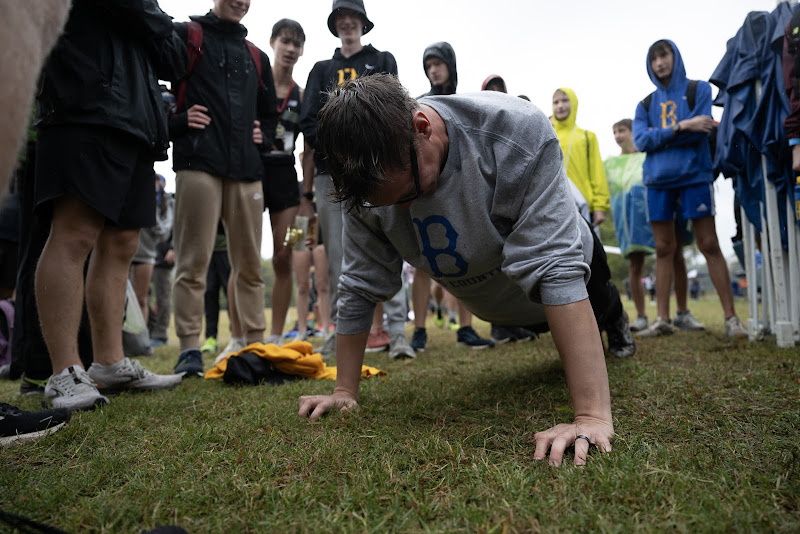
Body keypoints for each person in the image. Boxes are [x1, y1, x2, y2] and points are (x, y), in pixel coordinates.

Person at [298, 74, 636, 466]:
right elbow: (358, 285)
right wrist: (344, 391)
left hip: (576, 274)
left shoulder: (514, 130)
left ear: (422, 128)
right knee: (536, 321)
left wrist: (591, 416)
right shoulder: (367, 186)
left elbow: (557, 269)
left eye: (406, 194)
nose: (404, 211)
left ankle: (617, 321)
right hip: (498, 301)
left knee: (600, 306)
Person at [34, 0, 185, 411]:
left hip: (138, 121)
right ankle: (64, 371)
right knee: (74, 232)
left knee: (122, 243)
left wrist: (151, 20)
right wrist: (155, 21)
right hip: (83, 101)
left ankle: (110, 363)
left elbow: (176, 59)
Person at [169, 0, 279, 377]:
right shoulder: (187, 35)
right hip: (198, 161)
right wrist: (178, 121)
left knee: (249, 264)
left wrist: (264, 135)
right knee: (193, 260)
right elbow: (155, 89)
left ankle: (254, 343)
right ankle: (189, 349)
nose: (240, 1)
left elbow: (270, 111)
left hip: (247, 168)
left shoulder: (257, 55)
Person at [298, 0, 404, 359]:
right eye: (340, 18)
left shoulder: (383, 61)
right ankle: (340, 334)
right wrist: (339, 150)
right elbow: (308, 121)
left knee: (393, 242)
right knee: (340, 257)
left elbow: (395, 107)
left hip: (378, 169)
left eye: (352, 17)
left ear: (362, 22)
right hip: (332, 175)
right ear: (334, 24)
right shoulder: (321, 68)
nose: (347, 23)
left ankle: (398, 332)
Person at [632, 39, 747, 338]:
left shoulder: (700, 90)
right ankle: (662, 320)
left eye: (664, 54)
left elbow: (704, 129)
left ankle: (732, 319)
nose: (659, 62)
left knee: (708, 243)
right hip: (657, 181)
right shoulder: (645, 104)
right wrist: (682, 127)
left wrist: (663, 137)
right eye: (654, 57)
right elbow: (641, 142)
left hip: (695, 176)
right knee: (663, 248)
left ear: (675, 56)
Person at [410, 42, 495, 352]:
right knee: (420, 260)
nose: (433, 69)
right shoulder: (417, 103)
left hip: (460, 190)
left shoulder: (463, 102)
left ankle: (466, 328)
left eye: (438, 63)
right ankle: (419, 329)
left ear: (450, 65)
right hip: (424, 192)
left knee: (466, 254)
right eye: (428, 64)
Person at [604, 119, 705, 333]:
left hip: (659, 213)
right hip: (631, 222)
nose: (617, 135)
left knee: (675, 256)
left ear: (632, 132)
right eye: (614, 131)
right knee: (635, 264)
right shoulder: (610, 164)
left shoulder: (649, 156)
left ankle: (682, 312)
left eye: (621, 130)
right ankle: (641, 316)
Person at [261, 18, 306, 345]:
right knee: (246, 257)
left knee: (285, 253)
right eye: (285, 41)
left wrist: (308, 193)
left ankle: (276, 335)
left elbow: (311, 148)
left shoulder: (301, 95)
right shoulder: (255, 86)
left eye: (296, 43)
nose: (290, 48)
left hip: (287, 181)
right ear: (273, 42)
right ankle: (243, 335)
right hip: (250, 174)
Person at [551, 88, 610, 231]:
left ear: (574, 103)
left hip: (584, 207)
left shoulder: (587, 136)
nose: (560, 106)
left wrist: (600, 206)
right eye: (556, 102)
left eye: (565, 100)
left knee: (586, 251)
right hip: (554, 206)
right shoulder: (548, 135)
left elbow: (597, 172)